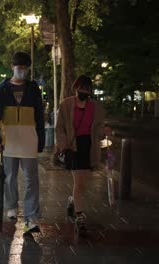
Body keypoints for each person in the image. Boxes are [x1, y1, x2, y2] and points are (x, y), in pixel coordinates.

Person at [0, 51, 45, 233]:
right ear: (12, 67)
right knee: (9, 177)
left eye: (25, 68)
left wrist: (41, 140)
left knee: (32, 180)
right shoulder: (3, 89)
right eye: (19, 68)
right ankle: (12, 206)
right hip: (9, 140)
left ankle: (31, 217)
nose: (22, 71)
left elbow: (40, 116)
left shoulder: (33, 88)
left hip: (29, 140)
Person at [55, 75, 107, 236]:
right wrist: (63, 146)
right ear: (75, 88)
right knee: (80, 184)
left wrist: (104, 133)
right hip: (73, 146)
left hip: (89, 147)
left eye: (86, 88)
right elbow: (60, 128)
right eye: (80, 88)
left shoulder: (95, 108)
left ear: (90, 90)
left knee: (82, 184)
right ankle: (80, 216)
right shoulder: (66, 105)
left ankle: (72, 201)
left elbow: (98, 129)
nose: (83, 91)